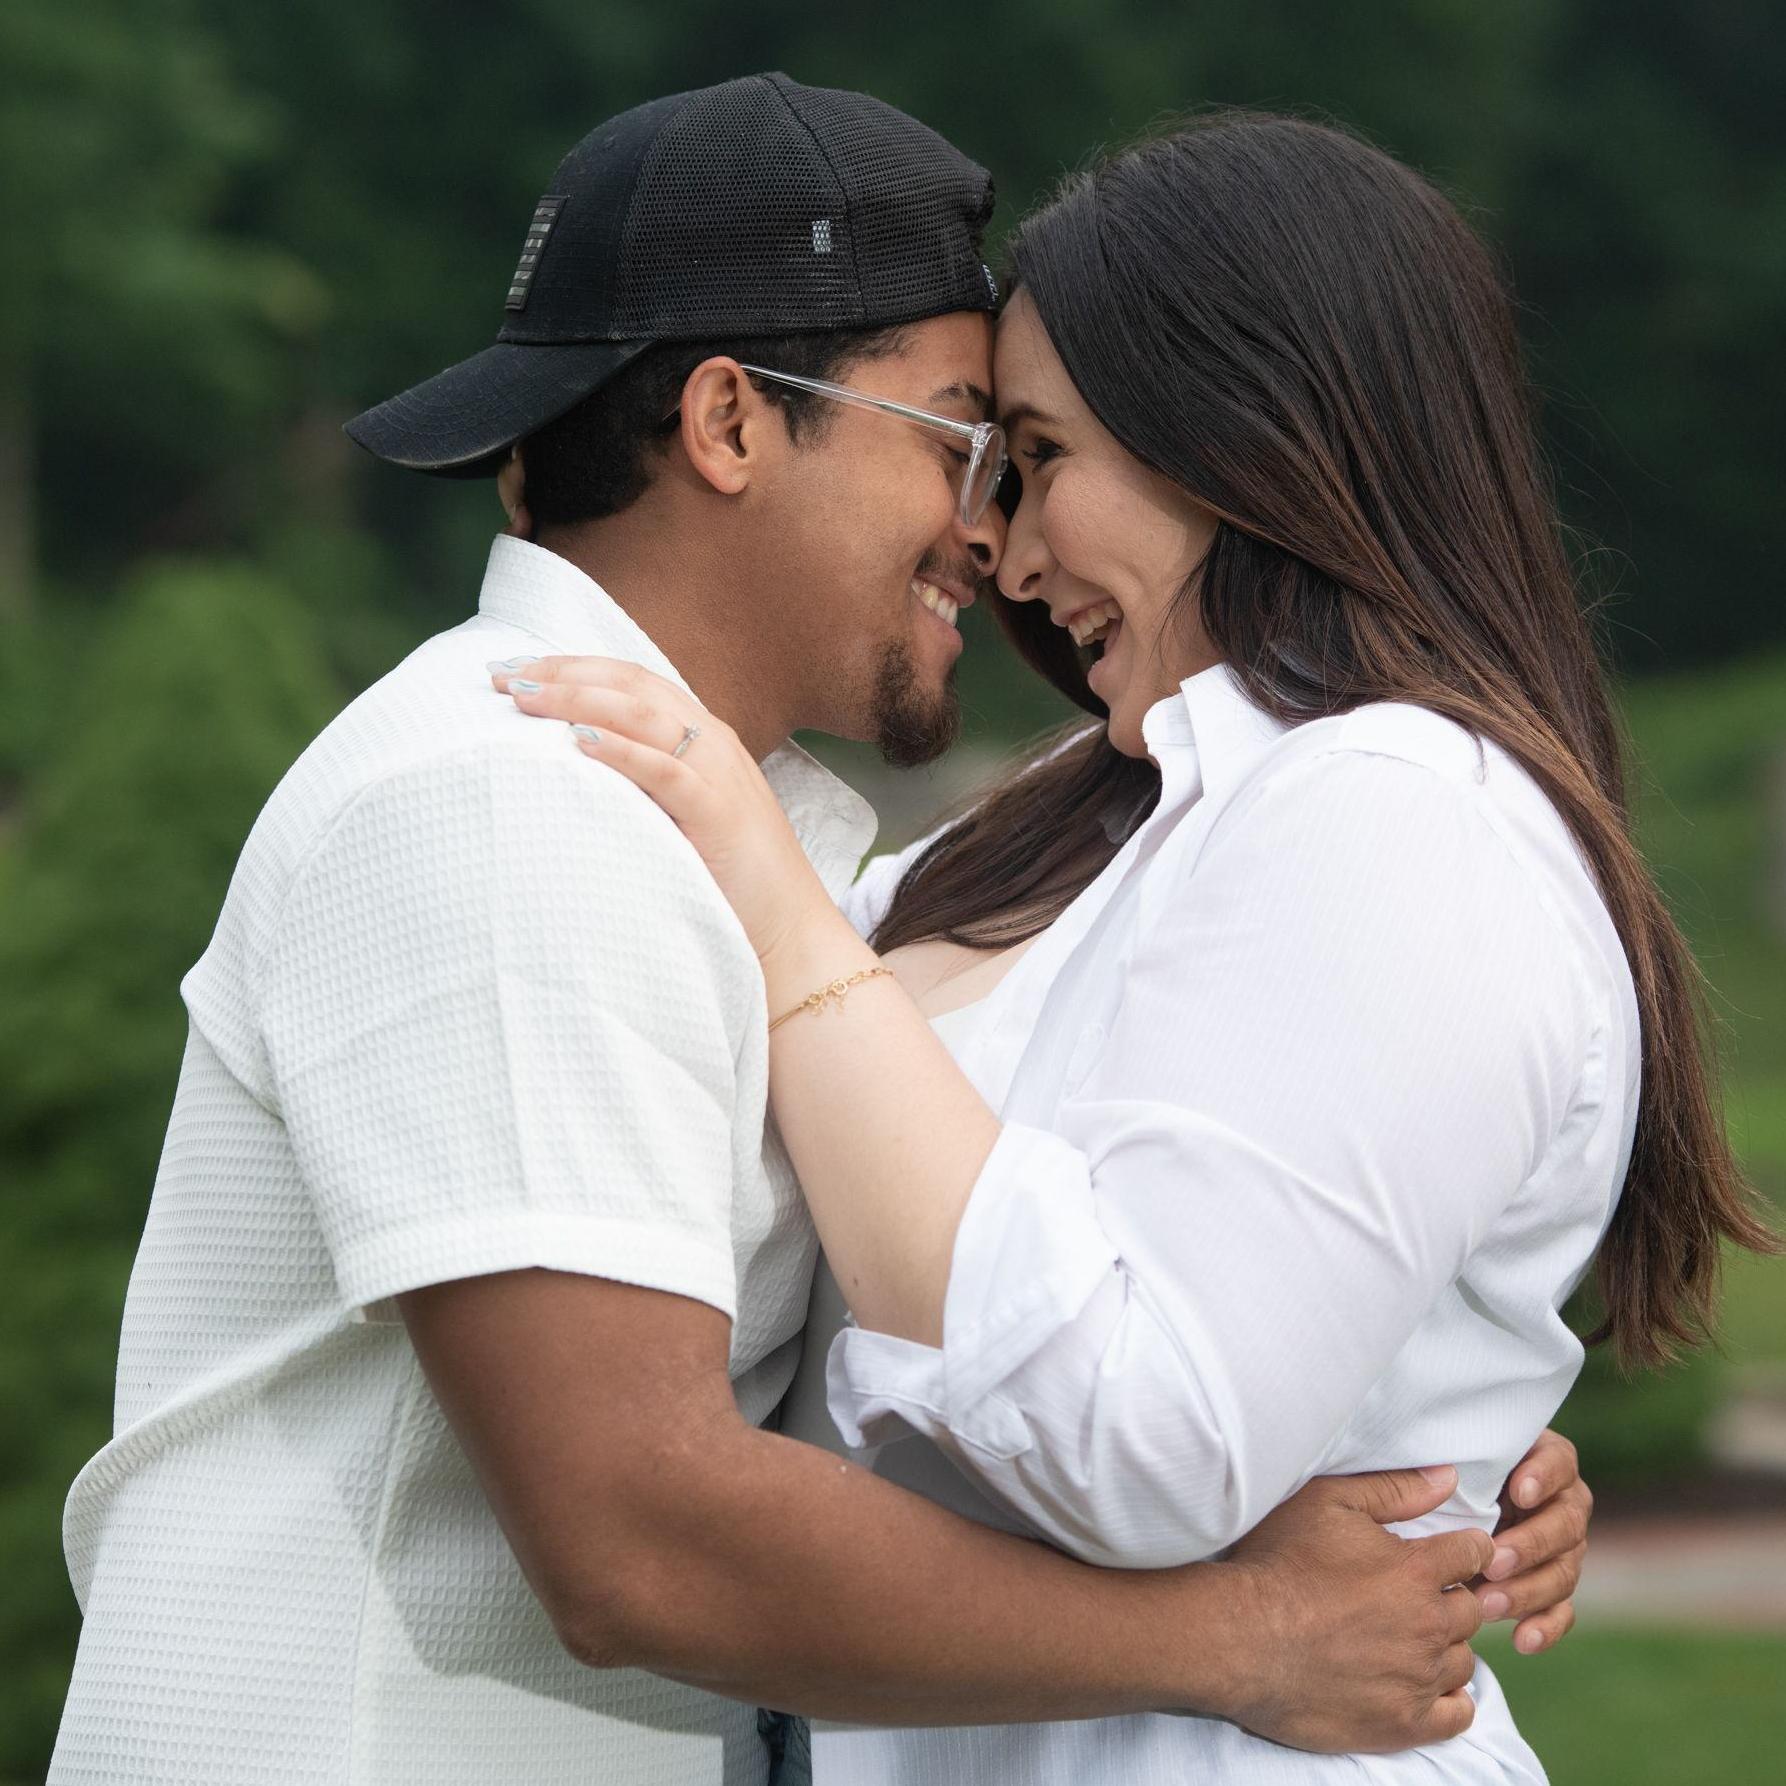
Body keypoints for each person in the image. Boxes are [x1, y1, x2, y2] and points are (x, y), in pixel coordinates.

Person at [50, 80, 1591, 1786]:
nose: (989, 536)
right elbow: (640, 1531)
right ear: (728, 422)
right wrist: (1247, 1634)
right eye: (959, 443)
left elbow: (953, 1269)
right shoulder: (516, 798)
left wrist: (1409, 1403)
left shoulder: (727, 826)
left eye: (1025, 462)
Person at [494, 109, 1778, 1783]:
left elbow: (1141, 1437)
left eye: (1038, 457)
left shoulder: (1400, 814)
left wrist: (770, 885)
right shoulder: (1088, 813)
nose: (1006, 549)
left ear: (1242, 431)